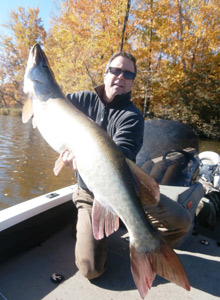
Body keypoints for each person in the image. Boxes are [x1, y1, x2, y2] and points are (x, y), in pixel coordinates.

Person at [61, 51, 192, 280]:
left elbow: (117, 158)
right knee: (91, 269)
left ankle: (147, 249)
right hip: (89, 191)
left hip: (124, 187)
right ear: (105, 73)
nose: (121, 77)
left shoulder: (132, 116)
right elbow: (53, 109)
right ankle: (88, 225)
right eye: (115, 70)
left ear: (132, 82)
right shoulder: (81, 100)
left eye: (128, 74)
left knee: (180, 221)